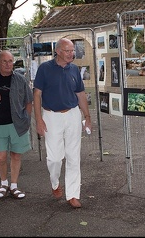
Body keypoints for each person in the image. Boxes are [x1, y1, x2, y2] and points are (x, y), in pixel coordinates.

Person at [33, 37, 92, 209]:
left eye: (72, 50)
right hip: (51, 116)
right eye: (67, 51)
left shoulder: (74, 69)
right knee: (55, 159)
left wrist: (87, 117)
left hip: (72, 115)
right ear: (58, 51)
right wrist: (38, 120)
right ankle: (55, 183)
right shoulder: (44, 69)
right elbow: (37, 95)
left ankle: (73, 194)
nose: (71, 54)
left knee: (74, 157)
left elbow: (80, 94)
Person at [0, 50, 33, 199]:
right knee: (1, 157)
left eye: (11, 61)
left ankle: (14, 186)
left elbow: (29, 101)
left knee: (16, 155)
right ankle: (4, 184)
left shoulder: (20, 79)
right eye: (5, 61)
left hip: (17, 124)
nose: (9, 64)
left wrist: (27, 120)